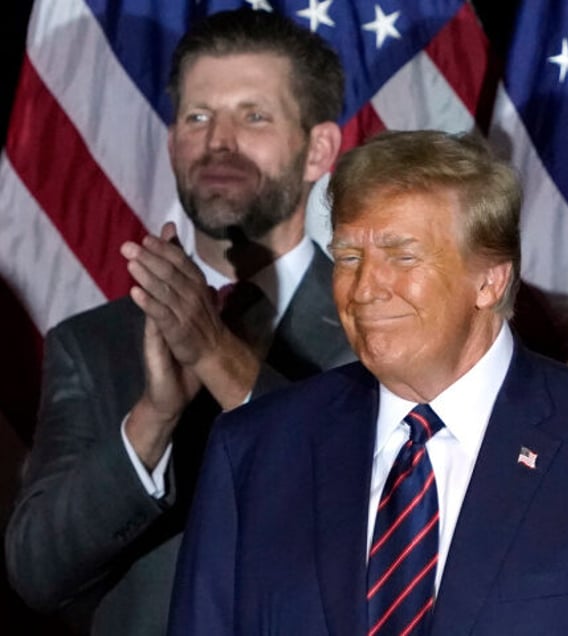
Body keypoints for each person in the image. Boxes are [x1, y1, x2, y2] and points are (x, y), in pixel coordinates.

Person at [167, 129, 568, 635]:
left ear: (488, 281)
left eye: (401, 256)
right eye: (348, 257)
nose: (363, 289)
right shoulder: (255, 451)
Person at [4, 9, 354, 635]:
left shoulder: (381, 322)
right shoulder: (93, 343)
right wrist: (151, 421)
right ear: (171, 142)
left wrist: (215, 355)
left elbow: (371, 512)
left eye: (254, 116)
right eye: (198, 117)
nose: (219, 141)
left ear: (318, 149)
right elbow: (36, 571)